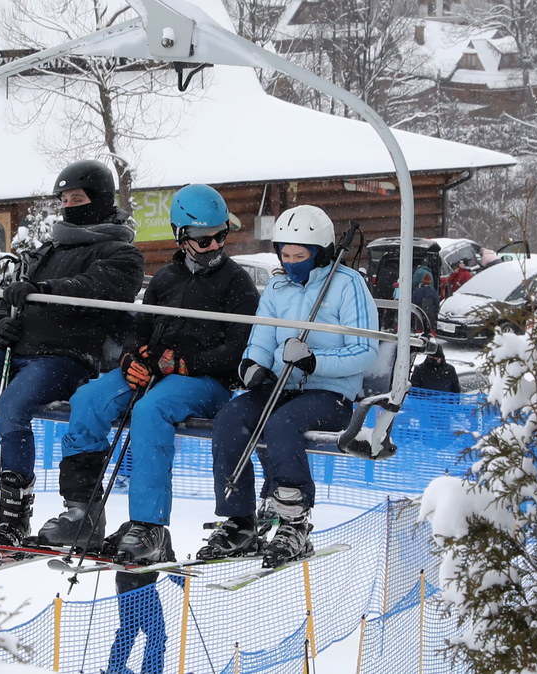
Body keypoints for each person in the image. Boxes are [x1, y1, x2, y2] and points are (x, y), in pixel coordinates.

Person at [0, 160, 145, 549]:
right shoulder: (47, 249)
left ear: (101, 199)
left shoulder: (120, 252)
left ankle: (14, 515)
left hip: (66, 357)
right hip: (16, 350)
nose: (69, 205)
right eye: (65, 199)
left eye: (79, 198)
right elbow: (14, 297)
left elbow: (95, 288)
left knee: (12, 409)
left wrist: (45, 289)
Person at [35, 184, 260, 562]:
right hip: (154, 371)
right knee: (88, 400)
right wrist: (131, 358)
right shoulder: (166, 279)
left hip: (206, 383)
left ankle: (148, 525)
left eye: (221, 236)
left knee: (149, 410)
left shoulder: (237, 284)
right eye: (203, 240)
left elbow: (238, 348)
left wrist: (186, 363)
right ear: (181, 237)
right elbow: (138, 327)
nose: (214, 246)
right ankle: (81, 513)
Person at [198, 205, 379, 567]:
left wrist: (316, 361)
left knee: (283, 423)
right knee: (232, 418)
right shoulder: (278, 287)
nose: (292, 262)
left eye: (301, 256)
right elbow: (261, 338)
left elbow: (366, 350)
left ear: (322, 252)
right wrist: (252, 365)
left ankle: (294, 519)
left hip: (331, 394)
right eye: (286, 254)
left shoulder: (347, 285)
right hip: (282, 386)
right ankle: (240, 519)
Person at [412, 268, 440, 334]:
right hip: (431, 315)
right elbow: (436, 304)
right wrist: (435, 313)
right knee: (431, 329)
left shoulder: (418, 291)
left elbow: (414, 302)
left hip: (420, 314)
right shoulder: (433, 292)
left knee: (420, 329)